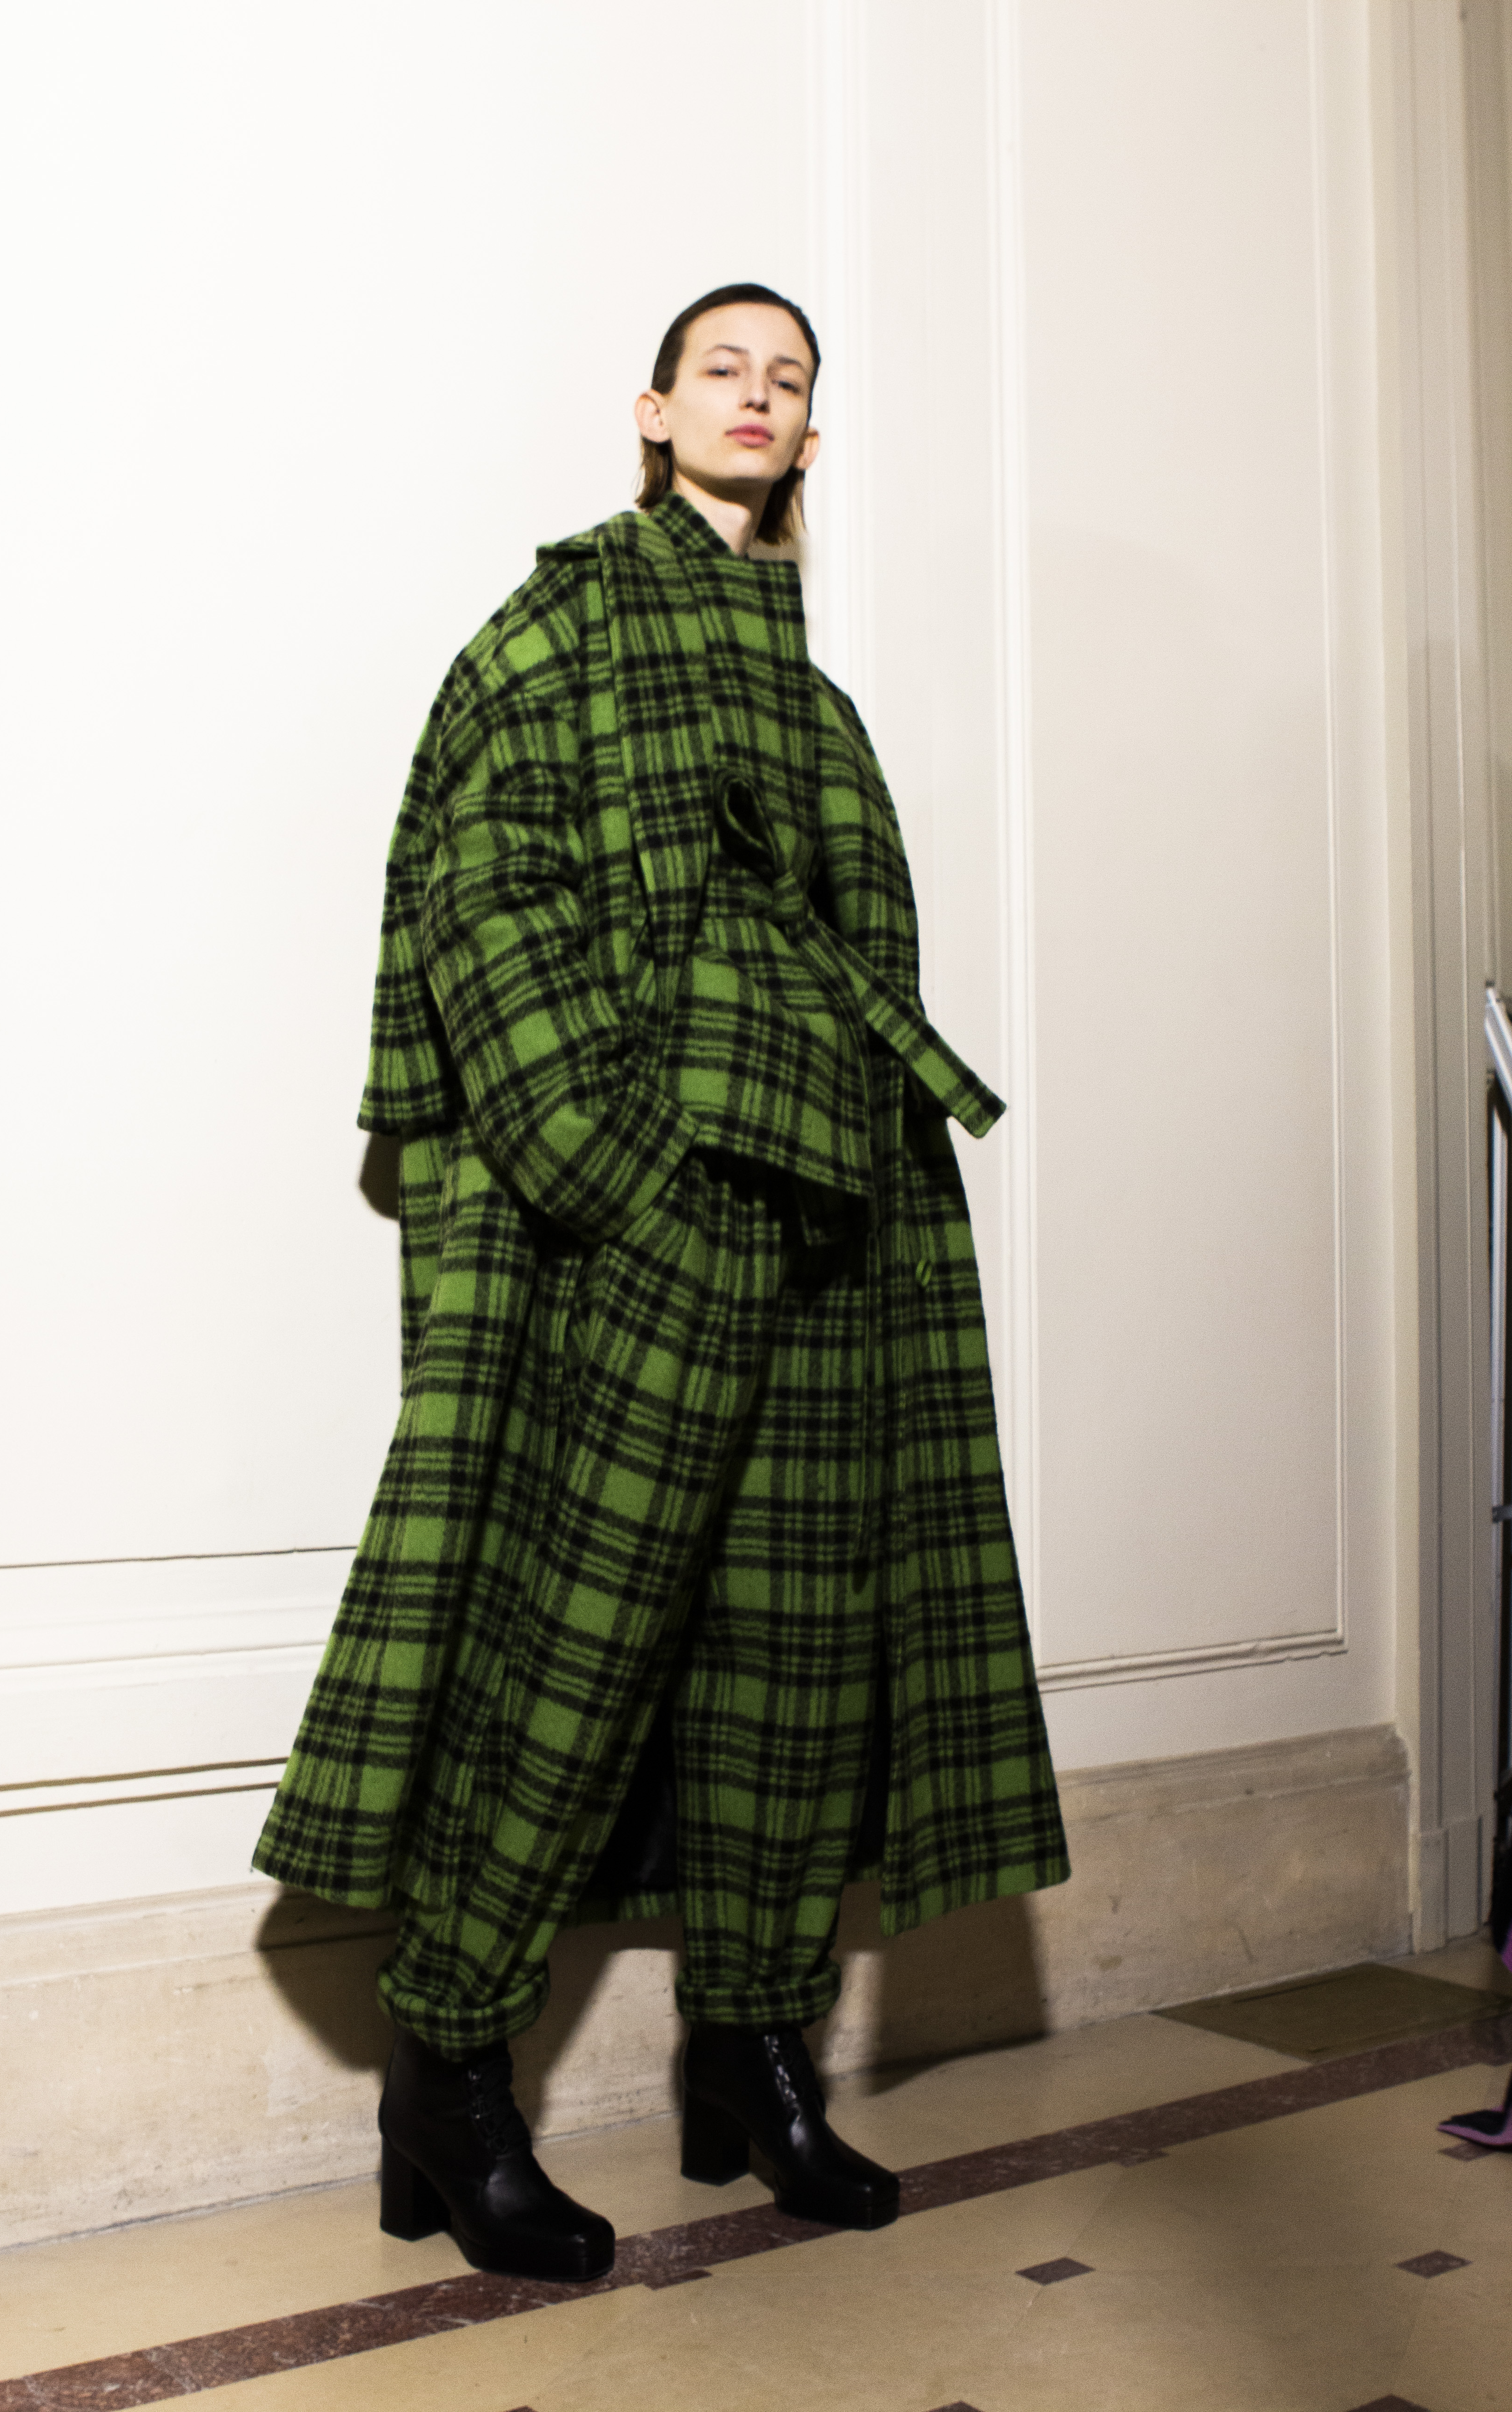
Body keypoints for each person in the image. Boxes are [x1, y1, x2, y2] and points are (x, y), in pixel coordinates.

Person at [254, 282, 1069, 2284]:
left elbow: (864, 963)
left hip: (833, 1224)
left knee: (794, 1651)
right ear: (653, 409)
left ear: (811, 440)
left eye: (791, 382)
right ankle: (449, 2081)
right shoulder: (553, 629)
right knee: (571, 1647)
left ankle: (751, 2064)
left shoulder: (820, 709)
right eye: (726, 368)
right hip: (656, 1210)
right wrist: (612, 1176)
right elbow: (481, 897)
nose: (758, 396)